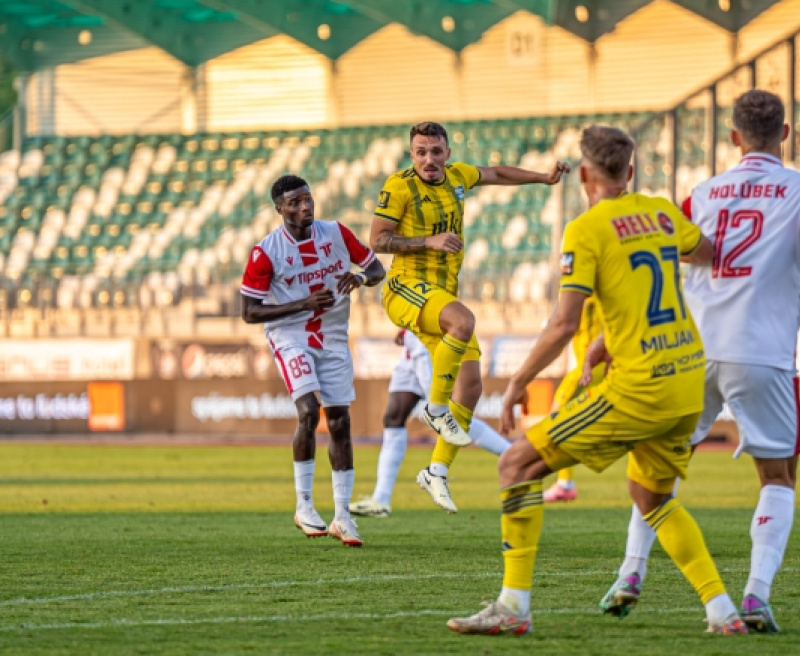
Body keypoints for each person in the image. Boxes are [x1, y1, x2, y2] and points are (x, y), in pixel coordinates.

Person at [447, 125, 748, 637]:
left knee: (517, 463)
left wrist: (520, 379)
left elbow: (564, 322)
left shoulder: (585, 229)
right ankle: (723, 612)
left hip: (641, 386)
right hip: (686, 379)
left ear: (585, 174)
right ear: (630, 172)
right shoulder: (661, 212)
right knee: (651, 497)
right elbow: (707, 253)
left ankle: (513, 605)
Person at [599, 89, 800, 633]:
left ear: (732, 137)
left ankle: (630, 573)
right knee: (778, 475)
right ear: (785, 133)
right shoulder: (797, 190)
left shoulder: (704, 193)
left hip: (691, 349)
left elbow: (673, 251)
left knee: (657, 468)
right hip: (763, 351)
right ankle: (756, 594)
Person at [370, 121, 569, 513]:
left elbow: (496, 173)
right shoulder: (398, 186)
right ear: (412, 155)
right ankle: (436, 409)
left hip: (440, 296)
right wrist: (429, 241)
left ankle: (436, 471)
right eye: (421, 152)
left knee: (472, 386)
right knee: (463, 322)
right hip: (404, 288)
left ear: (447, 152)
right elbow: (376, 240)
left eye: (436, 151)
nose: (429, 159)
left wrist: (542, 179)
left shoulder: (458, 176)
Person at [240, 174, 385, 547]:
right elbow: (250, 312)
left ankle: (342, 516)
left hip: (333, 337)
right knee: (308, 411)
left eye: (307, 199)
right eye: (294, 203)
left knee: (340, 421)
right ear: (279, 209)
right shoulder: (266, 251)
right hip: (290, 336)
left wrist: (359, 279)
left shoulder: (337, 233)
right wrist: (302, 304)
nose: (304, 207)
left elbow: (376, 269)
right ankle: (304, 505)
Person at [349, 328, 511, 518]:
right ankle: (381, 500)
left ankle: (512, 453)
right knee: (393, 417)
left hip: (425, 340)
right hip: (412, 342)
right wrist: (404, 328)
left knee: (447, 415)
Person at [542, 296, 605, 503]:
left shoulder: (588, 287)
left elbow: (564, 321)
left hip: (590, 366)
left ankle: (565, 483)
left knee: (557, 418)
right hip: (597, 364)